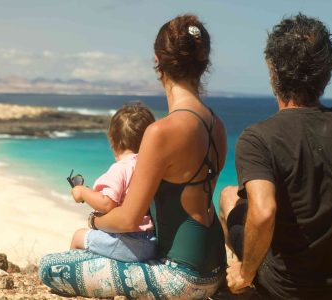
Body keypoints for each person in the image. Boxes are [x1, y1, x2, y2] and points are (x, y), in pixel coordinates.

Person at [39, 14, 226, 299]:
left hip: (180, 280)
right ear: (203, 63)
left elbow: (127, 220)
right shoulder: (217, 125)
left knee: (51, 267)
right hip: (215, 271)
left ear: (157, 61)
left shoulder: (162, 131)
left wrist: (93, 223)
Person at [218, 13, 332, 300]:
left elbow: (264, 212)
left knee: (229, 196)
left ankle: (245, 275)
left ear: (272, 70)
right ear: (327, 72)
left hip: (291, 290)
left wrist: (246, 271)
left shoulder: (258, 138)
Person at [68, 102, 157, 262]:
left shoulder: (120, 168)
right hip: (151, 241)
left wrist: (83, 192)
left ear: (112, 140)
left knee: (78, 237)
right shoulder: (150, 167)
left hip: (128, 242)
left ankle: (72, 278)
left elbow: (106, 204)